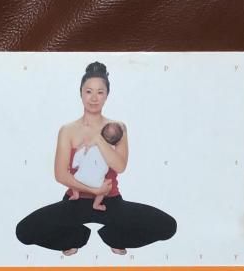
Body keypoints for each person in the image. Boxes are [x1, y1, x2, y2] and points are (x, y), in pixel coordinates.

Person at [15, 62, 176, 256]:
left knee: (168, 226)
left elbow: (120, 166)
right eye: (89, 91)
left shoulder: (117, 128)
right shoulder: (67, 130)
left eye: (100, 92)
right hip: (74, 201)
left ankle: (114, 237)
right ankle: (76, 236)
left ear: (107, 95)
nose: (94, 98)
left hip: (110, 201)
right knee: (23, 232)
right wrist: (94, 190)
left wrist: (99, 140)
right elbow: (60, 175)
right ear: (81, 93)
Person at [67, 121, 125, 211]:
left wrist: (76, 164)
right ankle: (96, 205)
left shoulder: (90, 143)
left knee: (73, 178)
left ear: (101, 132)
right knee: (106, 185)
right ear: (117, 141)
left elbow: (80, 153)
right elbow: (115, 163)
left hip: (79, 178)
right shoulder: (112, 150)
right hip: (98, 184)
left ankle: (75, 194)